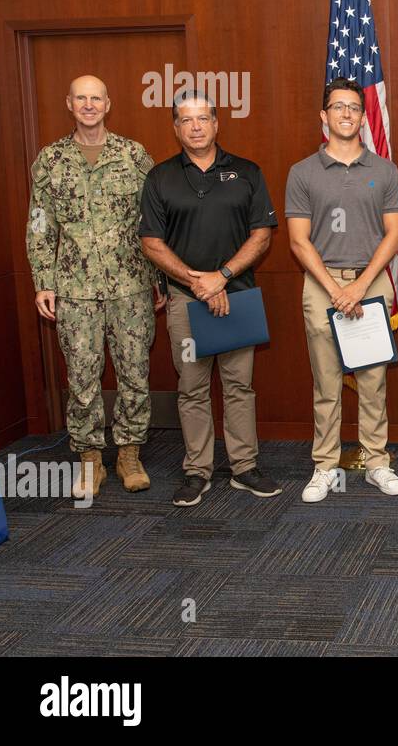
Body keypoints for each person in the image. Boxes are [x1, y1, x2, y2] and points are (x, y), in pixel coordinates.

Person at [139, 90, 281, 507]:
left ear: (217, 123)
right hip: (185, 299)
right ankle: (196, 470)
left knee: (240, 386)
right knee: (192, 387)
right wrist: (197, 282)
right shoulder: (160, 177)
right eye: (187, 120)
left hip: (236, 294)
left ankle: (244, 467)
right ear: (176, 127)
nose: (196, 126)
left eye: (203, 118)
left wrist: (220, 278)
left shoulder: (247, 172)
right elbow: (150, 241)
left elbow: (262, 234)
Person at [26, 75, 163, 499]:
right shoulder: (50, 160)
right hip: (74, 290)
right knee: (82, 376)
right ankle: (89, 458)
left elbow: (154, 223)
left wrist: (160, 280)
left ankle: (129, 453)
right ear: (69, 103)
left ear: (109, 103)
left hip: (131, 287)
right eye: (81, 98)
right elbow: (40, 226)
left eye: (96, 98)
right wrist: (43, 282)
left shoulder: (134, 155)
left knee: (134, 373)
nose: (88, 105)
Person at [286, 77, 398, 502]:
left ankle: (377, 461)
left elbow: (394, 234)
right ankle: (324, 465)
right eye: (338, 107)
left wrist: (358, 286)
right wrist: (336, 288)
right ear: (324, 116)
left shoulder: (384, 170)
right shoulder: (302, 172)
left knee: (374, 380)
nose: (346, 114)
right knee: (327, 382)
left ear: (362, 115)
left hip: (371, 281)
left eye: (354, 107)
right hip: (322, 284)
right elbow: (298, 241)